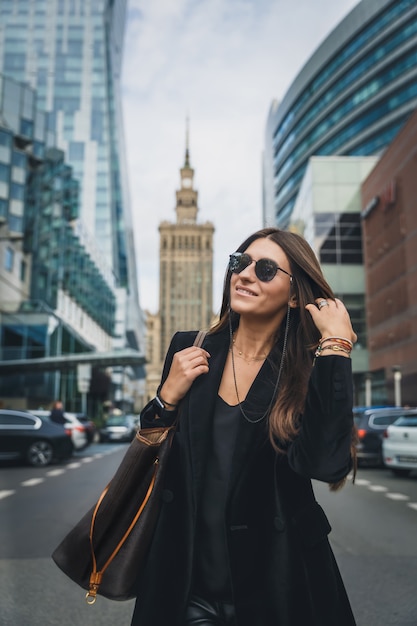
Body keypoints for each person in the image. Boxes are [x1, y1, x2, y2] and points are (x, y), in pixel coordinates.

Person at [131, 227, 357, 626]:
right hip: (187, 585)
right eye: (240, 262)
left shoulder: (307, 368)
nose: (246, 274)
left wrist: (336, 347)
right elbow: (153, 445)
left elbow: (325, 463)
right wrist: (166, 397)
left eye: (266, 268)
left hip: (280, 585)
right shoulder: (189, 349)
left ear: (293, 295)